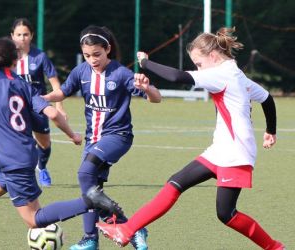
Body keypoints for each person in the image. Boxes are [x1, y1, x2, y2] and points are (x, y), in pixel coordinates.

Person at [93, 27, 285, 250]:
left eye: (199, 64)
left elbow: (176, 76)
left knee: (226, 213)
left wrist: (145, 63)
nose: (198, 69)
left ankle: (275, 248)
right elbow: (267, 98)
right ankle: (126, 230)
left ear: (213, 56)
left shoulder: (222, 74)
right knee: (175, 182)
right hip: (221, 150)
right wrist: (271, 130)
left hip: (236, 153)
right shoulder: (235, 74)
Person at [0, 37, 124, 250]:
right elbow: (52, 114)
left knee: (33, 219)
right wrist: (71, 135)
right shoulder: (23, 85)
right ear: (16, 60)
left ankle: (91, 201)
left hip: (13, 161)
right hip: (18, 157)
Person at [42, 25, 162, 250]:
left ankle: (123, 226)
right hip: (92, 139)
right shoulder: (81, 72)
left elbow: (156, 98)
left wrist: (147, 89)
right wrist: (43, 97)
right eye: (87, 55)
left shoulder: (121, 74)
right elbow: (63, 92)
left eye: (97, 54)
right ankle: (94, 238)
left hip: (117, 136)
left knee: (84, 173)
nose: (92, 59)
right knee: (90, 187)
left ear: (107, 49)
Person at [10, 18, 66, 187]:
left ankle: (42, 167)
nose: (22, 38)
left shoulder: (40, 57)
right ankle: (21, 175)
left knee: (44, 144)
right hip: (16, 107)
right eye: (18, 34)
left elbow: (56, 85)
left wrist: (59, 107)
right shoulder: (7, 57)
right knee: (19, 143)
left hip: (38, 105)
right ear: (12, 36)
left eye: (25, 34)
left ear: (32, 35)